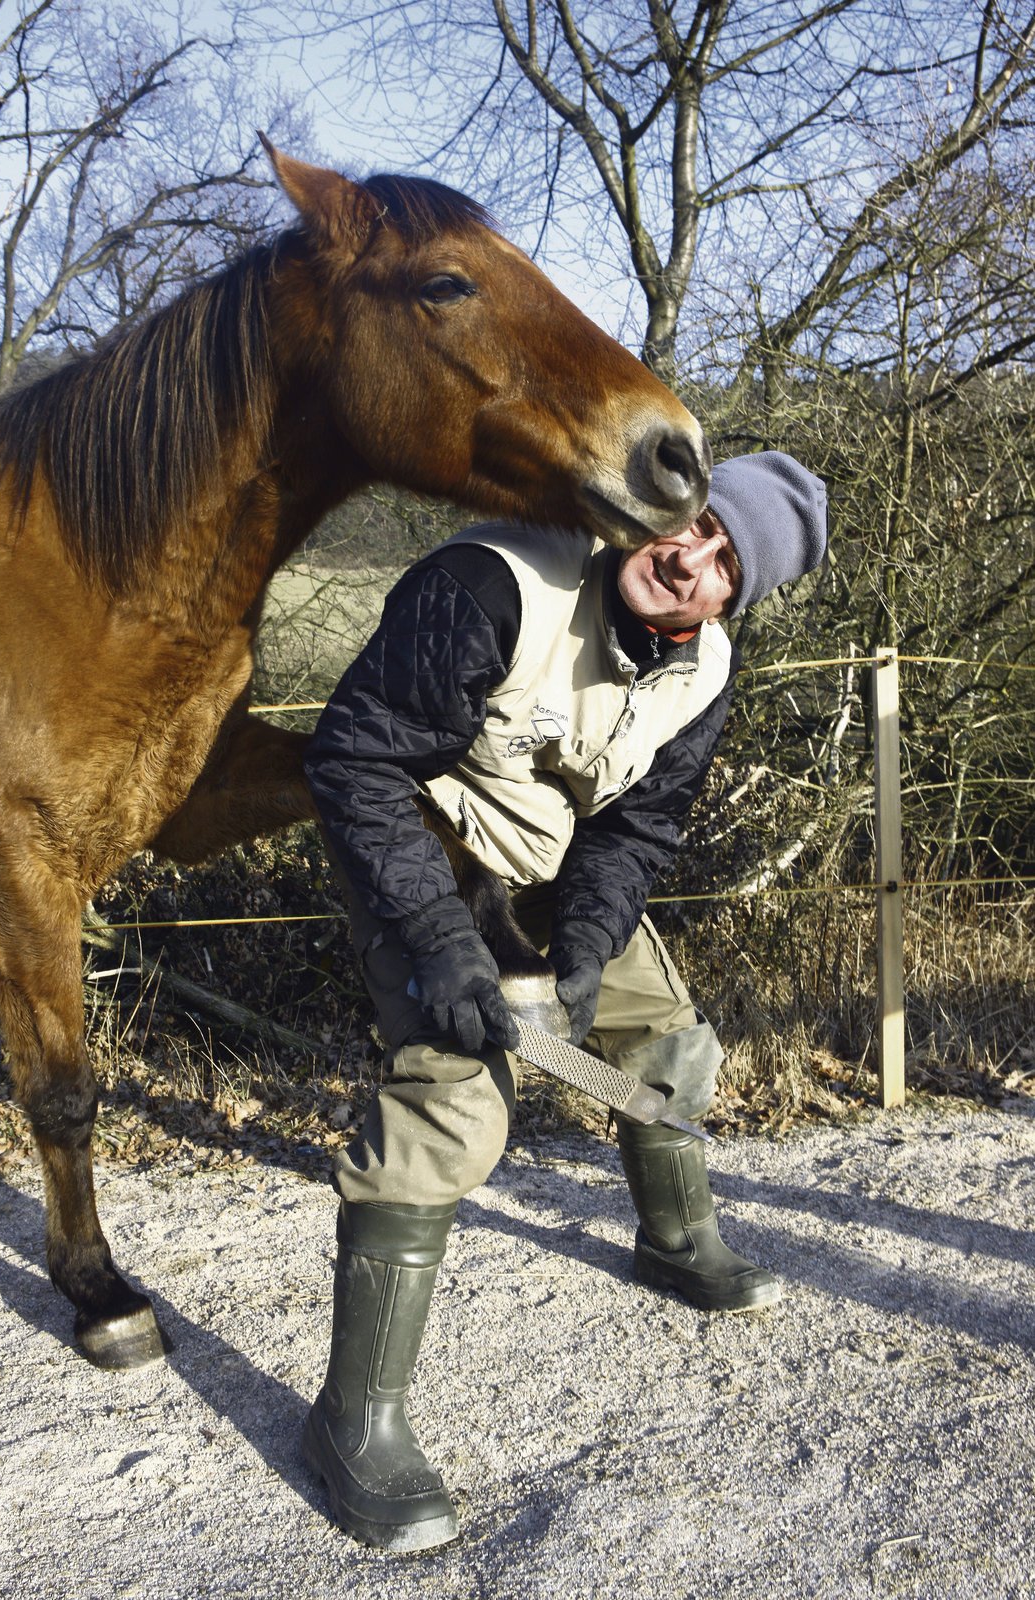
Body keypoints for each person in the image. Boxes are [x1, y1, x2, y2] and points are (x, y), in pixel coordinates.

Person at [300, 450, 828, 1552]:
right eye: (697, 524)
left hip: (549, 865)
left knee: (675, 1045)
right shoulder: (497, 578)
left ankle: (675, 1240)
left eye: (726, 564)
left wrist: (584, 953)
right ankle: (355, 1419)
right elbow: (354, 763)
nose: (690, 561)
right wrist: (445, 947)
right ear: (662, 510)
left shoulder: (705, 667)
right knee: (457, 1107)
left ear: (736, 599)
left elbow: (637, 828)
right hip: (423, 843)